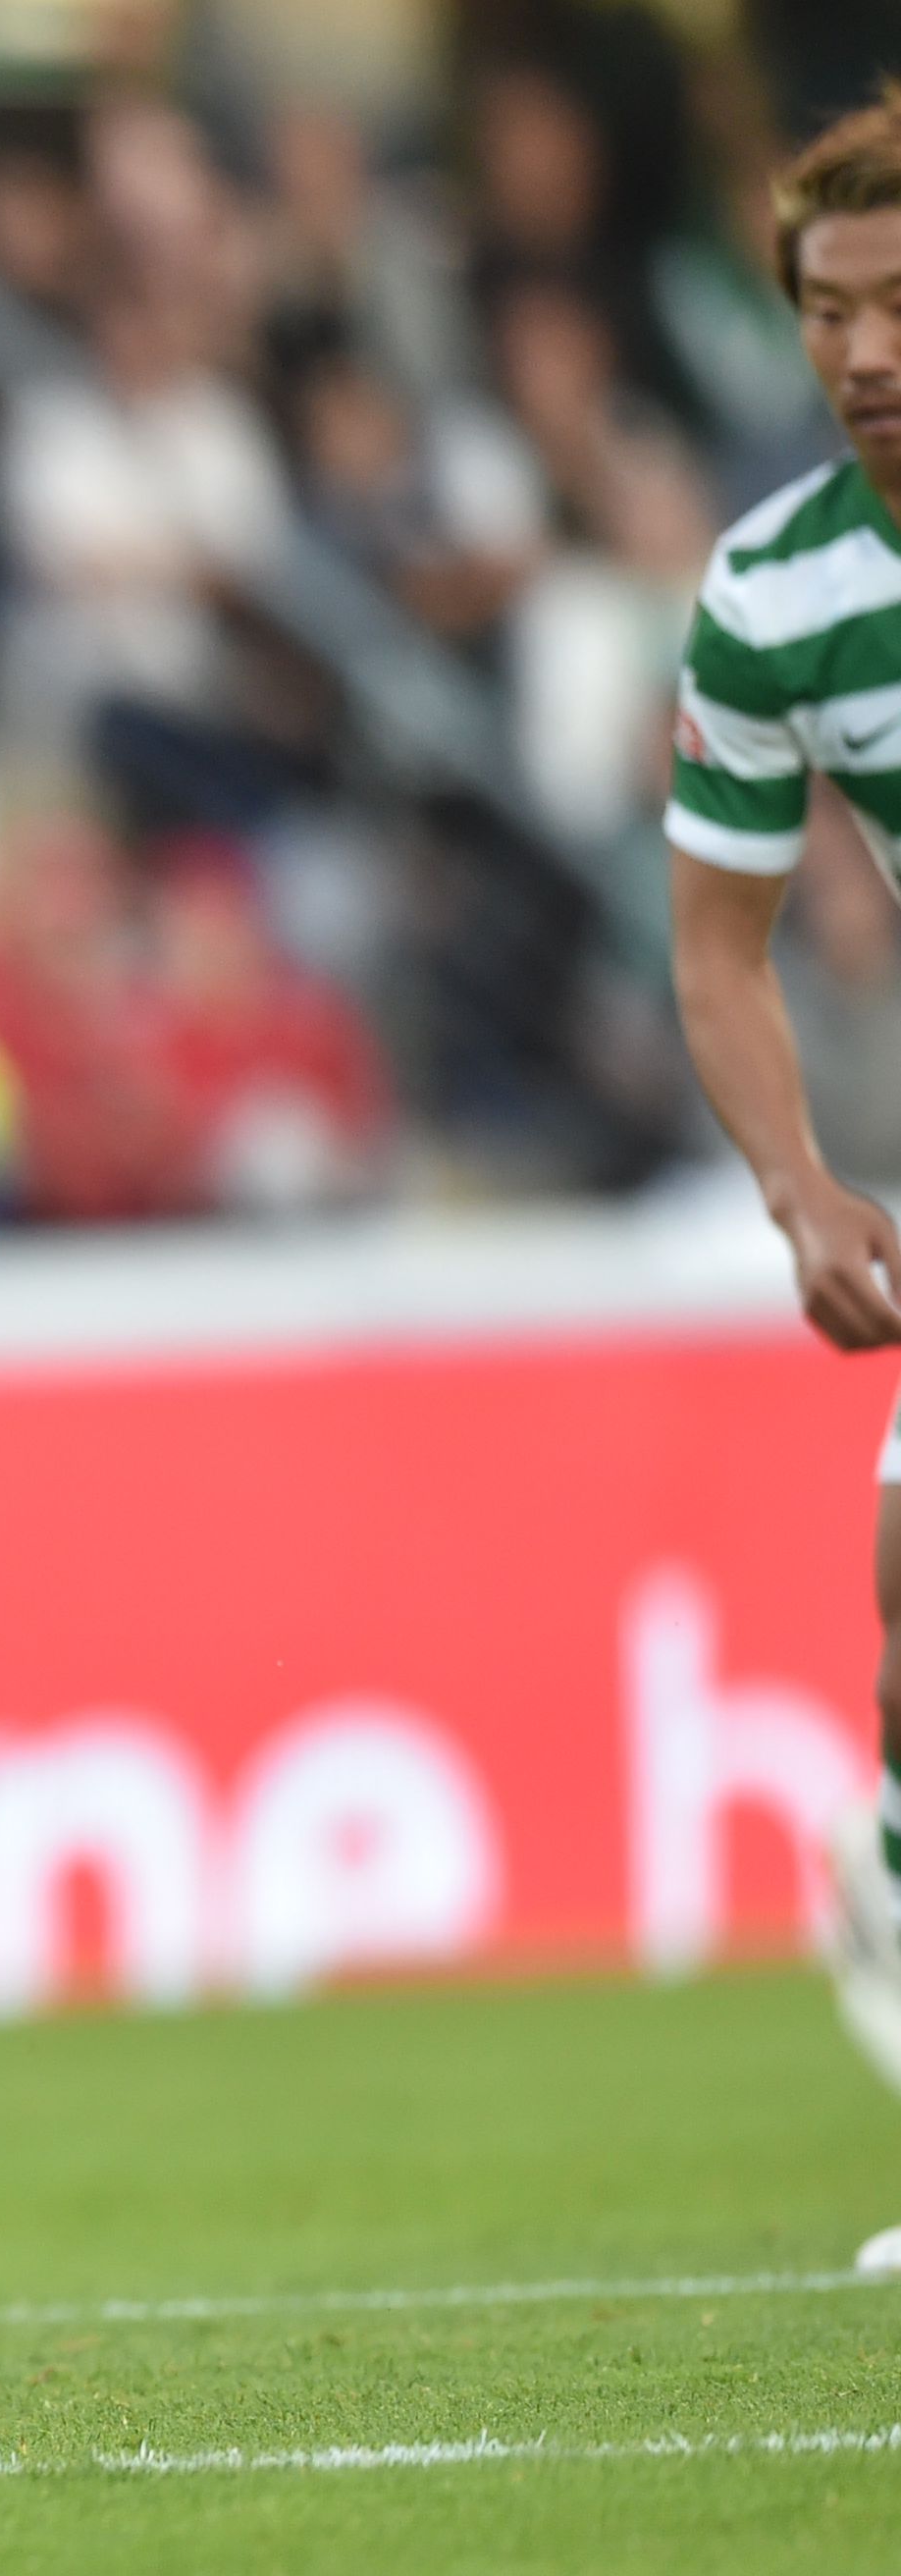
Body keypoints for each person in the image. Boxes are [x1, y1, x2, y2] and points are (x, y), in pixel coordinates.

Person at [661, 80, 901, 2284]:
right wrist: (801, 1185)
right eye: (833, 309)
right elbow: (720, 933)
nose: (869, 350)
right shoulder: (778, 591)